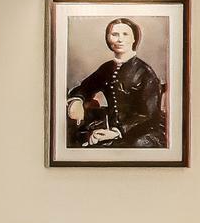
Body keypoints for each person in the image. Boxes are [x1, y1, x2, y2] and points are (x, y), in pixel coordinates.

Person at [66, 17, 166, 148]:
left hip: (141, 132)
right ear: (108, 38)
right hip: (109, 129)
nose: (120, 39)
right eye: (115, 34)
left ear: (134, 38)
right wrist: (77, 100)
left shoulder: (145, 72)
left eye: (125, 34)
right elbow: (85, 87)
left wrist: (117, 132)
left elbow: (150, 116)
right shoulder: (107, 68)